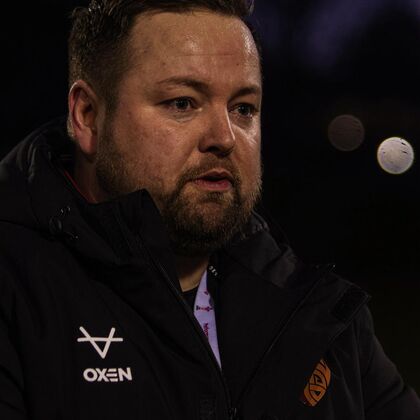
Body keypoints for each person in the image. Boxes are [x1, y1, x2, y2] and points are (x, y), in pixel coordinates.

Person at [0, 0, 419, 419]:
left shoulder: (323, 317)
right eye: (183, 103)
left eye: (243, 108)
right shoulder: (16, 295)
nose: (225, 137)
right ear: (88, 116)